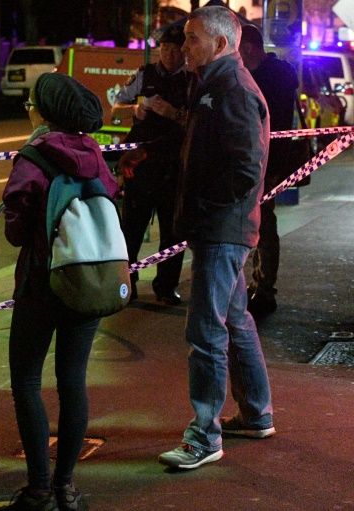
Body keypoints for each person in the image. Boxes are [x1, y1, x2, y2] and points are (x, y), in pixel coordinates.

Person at [158, 6, 275, 471]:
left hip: (223, 231)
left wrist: (204, 212)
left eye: (192, 38)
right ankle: (257, 412)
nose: (183, 46)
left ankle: (204, 435)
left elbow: (245, 170)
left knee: (205, 330)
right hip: (222, 227)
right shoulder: (212, 83)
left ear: (221, 44)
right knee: (234, 320)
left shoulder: (233, 90)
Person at [0, 72, 119, 511]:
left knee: (27, 379)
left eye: (31, 102)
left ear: (43, 111)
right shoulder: (95, 154)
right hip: (88, 282)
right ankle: (66, 488)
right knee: (73, 381)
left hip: (41, 285)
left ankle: (38, 489)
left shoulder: (34, 156)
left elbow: (16, 230)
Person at [112, 23, 191, 305]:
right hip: (141, 166)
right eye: (165, 49)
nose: (170, 55)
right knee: (130, 230)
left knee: (173, 233)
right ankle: (127, 284)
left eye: (175, 50)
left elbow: (199, 122)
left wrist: (174, 114)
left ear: (184, 51)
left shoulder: (192, 79)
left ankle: (166, 287)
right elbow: (115, 109)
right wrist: (135, 108)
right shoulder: (144, 76)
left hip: (174, 167)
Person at [238, 23, 299, 316]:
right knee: (260, 222)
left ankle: (264, 288)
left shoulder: (270, 77)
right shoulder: (278, 74)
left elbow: (276, 126)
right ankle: (259, 285)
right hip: (261, 161)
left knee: (264, 224)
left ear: (248, 47)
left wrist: (272, 168)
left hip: (267, 162)